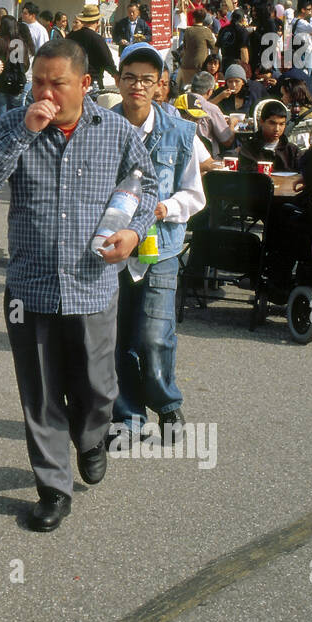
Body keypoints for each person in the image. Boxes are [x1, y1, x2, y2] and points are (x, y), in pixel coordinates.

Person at [0, 38, 158, 532]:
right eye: (37, 82)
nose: (45, 93)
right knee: (41, 392)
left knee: (98, 387)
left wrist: (134, 232)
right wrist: (23, 135)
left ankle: (91, 439)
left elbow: (146, 185)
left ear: (86, 84)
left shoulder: (115, 130)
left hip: (93, 284)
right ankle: (53, 486)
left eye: (58, 83)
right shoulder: (13, 124)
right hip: (31, 285)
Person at [109, 43, 205, 449]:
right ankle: (127, 416)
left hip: (160, 249)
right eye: (130, 77)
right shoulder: (101, 126)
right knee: (114, 337)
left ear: (161, 85)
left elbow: (195, 195)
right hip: (110, 251)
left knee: (154, 334)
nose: (138, 86)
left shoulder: (181, 131)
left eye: (147, 79)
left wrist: (163, 208)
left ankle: (166, 403)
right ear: (118, 80)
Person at [236, 100, 301, 171]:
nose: (277, 129)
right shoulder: (248, 151)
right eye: (272, 123)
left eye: (281, 124)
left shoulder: (292, 152)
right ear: (261, 122)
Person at [187, 71, 236, 158]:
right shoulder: (211, 109)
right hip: (206, 157)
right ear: (210, 91)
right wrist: (232, 124)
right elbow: (227, 141)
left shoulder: (177, 103)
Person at [177, 11, 218, 90]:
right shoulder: (206, 31)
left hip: (186, 64)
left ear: (194, 19)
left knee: (187, 89)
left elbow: (185, 46)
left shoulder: (188, 31)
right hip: (200, 64)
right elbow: (213, 46)